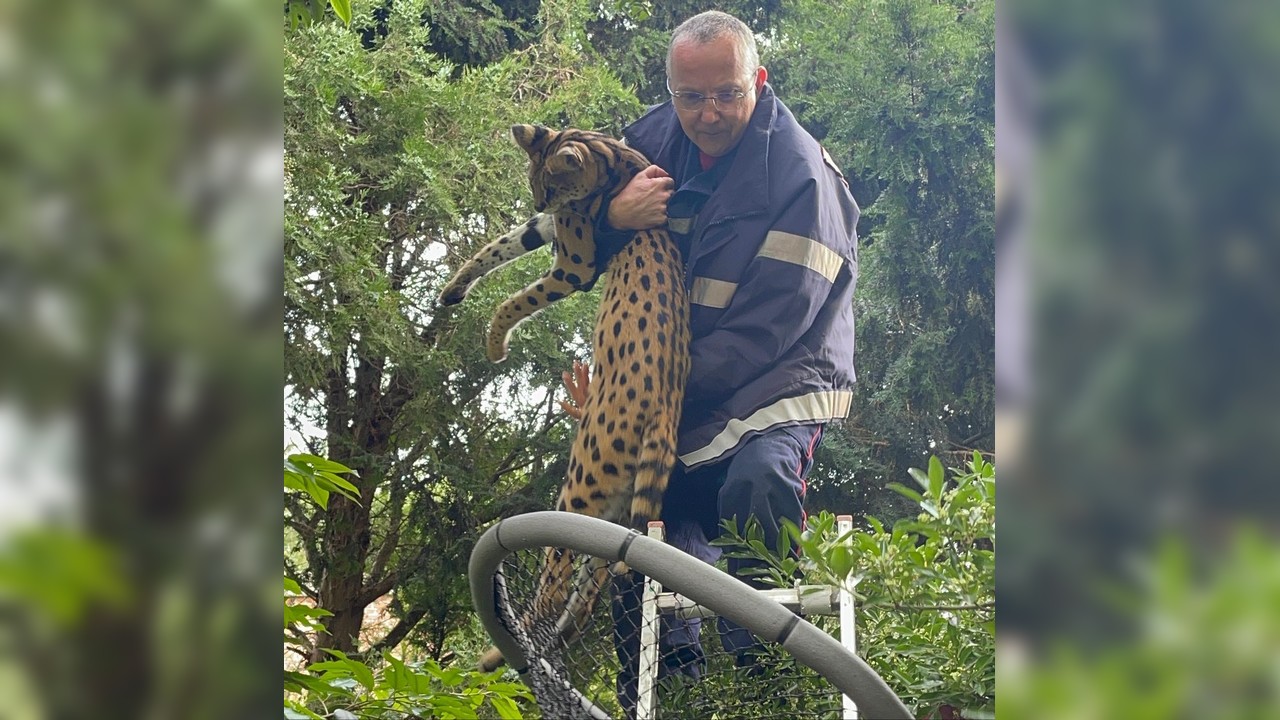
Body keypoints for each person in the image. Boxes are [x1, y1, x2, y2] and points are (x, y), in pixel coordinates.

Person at [568, 10, 861, 713]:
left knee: (754, 484)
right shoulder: (645, 141)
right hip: (674, 384)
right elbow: (571, 240)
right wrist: (612, 221)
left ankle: (767, 683)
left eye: (727, 93)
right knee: (631, 519)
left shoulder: (799, 177)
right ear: (670, 93)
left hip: (779, 379)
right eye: (691, 97)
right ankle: (671, 693)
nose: (709, 113)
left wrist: (632, 399)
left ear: (758, 81)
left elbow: (768, 330)